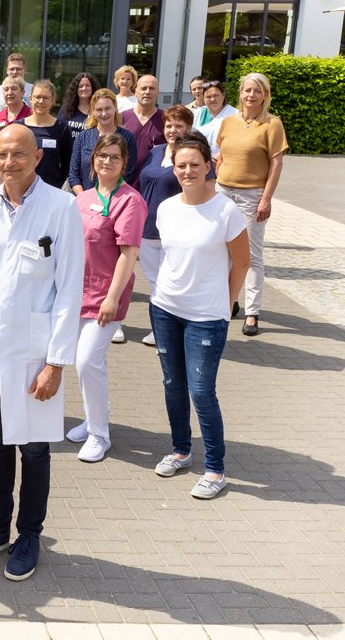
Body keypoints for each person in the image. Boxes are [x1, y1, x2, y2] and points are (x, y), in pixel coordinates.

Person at [0, 125, 83, 582]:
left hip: (33, 350)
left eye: (19, 154)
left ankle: (29, 533)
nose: (10, 162)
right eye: (2, 154)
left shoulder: (62, 208)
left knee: (35, 446)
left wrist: (56, 362)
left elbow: (69, 290)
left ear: (37, 156)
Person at [150, 132, 249, 499]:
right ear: (173, 168)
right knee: (173, 385)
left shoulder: (225, 209)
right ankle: (180, 451)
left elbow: (242, 262)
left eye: (195, 164)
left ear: (209, 166)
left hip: (207, 316)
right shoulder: (167, 207)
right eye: (181, 165)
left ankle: (215, 469)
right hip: (165, 309)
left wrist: (227, 302)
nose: (188, 171)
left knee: (202, 391)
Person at [65, 134, 147, 463]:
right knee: (86, 364)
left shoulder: (130, 201)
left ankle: (101, 435)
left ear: (124, 163)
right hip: (77, 292)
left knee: (88, 361)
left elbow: (129, 255)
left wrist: (112, 299)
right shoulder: (82, 199)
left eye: (114, 157)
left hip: (106, 296)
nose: (106, 162)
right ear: (92, 160)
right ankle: (92, 419)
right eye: (102, 156)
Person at [215, 72, 288, 337]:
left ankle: (252, 312)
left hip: (251, 195)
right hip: (223, 191)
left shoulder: (272, 124)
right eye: (247, 90)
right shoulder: (229, 122)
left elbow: (277, 163)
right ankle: (228, 301)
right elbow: (220, 156)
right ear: (241, 93)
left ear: (265, 95)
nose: (251, 95)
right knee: (222, 249)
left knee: (252, 254)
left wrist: (266, 198)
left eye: (257, 91)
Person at [135, 104, 212, 347]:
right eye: (169, 125)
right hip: (147, 229)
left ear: (189, 128)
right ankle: (161, 332)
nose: (172, 130)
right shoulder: (155, 152)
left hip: (176, 232)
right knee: (156, 283)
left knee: (172, 283)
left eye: (179, 125)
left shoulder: (192, 159)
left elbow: (206, 193)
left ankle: (172, 334)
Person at [69, 88, 137, 195]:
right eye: (99, 110)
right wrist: (84, 197)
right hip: (83, 199)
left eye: (108, 108)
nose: (104, 113)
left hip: (114, 199)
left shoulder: (128, 138)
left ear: (115, 108)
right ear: (93, 112)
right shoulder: (83, 137)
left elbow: (128, 174)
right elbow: (73, 174)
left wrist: (106, 197)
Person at [21, 80, 73, 191]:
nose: (41, 101)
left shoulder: (61, 128)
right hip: (22, 187)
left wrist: (59, 185)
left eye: (46, 98)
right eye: (37, 97)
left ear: (52, 100)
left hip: (51, 188)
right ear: (30, 98)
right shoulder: (19, 126)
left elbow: (67, 163)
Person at [120, 74, 166, 188]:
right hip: (123, 182)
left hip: (153, 184)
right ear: (136, 91)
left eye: (152, 88)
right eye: (143, 88)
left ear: (158, 92)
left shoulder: (166, 119)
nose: (147, 92)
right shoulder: (122, 118)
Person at [0, 53, 34, 117]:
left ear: (25, 70)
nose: (15, 72)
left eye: (18, 69)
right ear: (7, 71)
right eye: (12, 69)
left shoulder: (33, 90)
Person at [195, 80, 238, 149]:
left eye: (216, 95)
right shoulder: (196, 114)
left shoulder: (235, 114)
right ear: (203, 98)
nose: (212, 99)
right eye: (208, 97)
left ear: (223, 95)